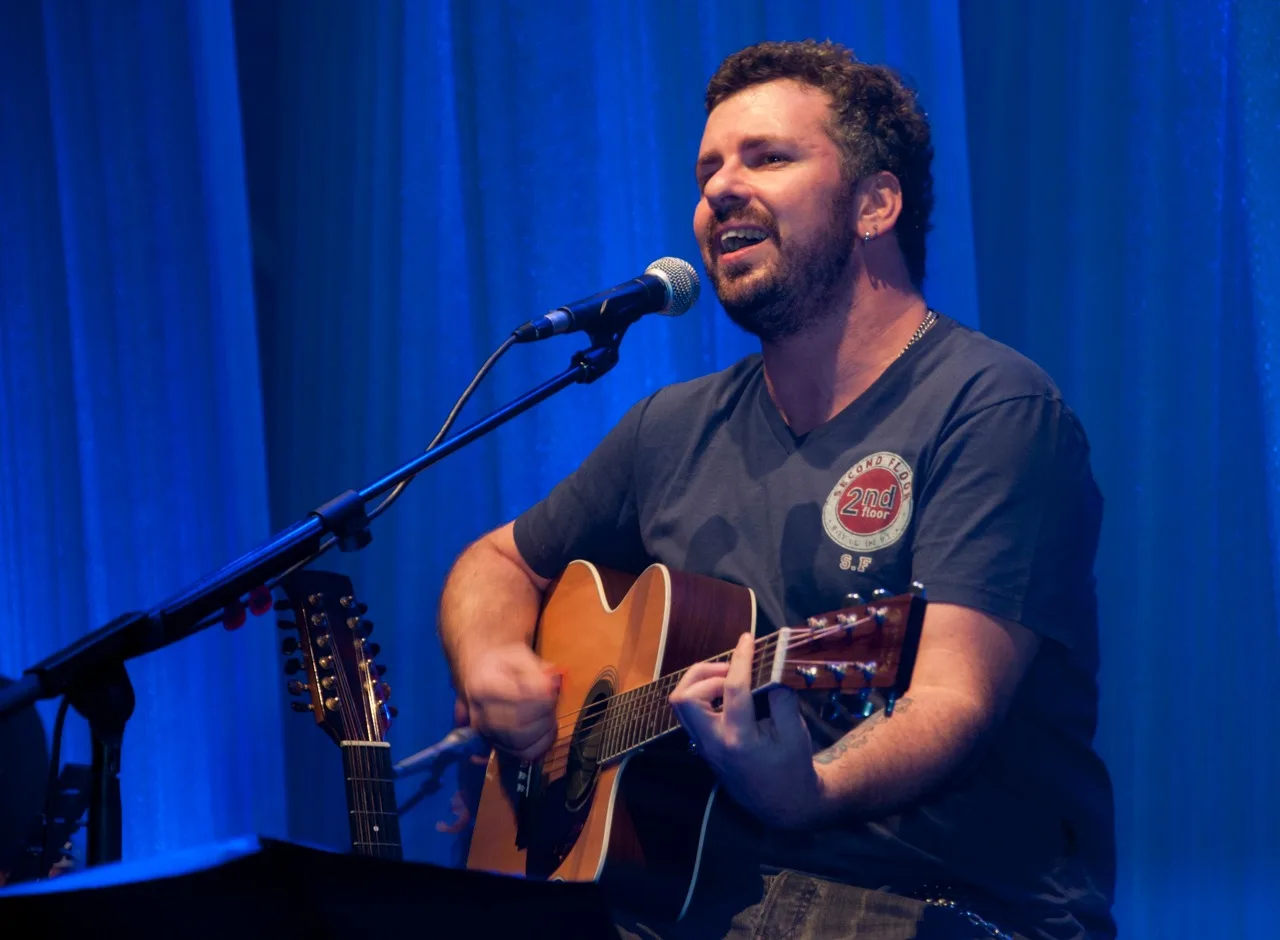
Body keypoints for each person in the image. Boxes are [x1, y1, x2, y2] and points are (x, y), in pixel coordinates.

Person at [439, 39, 1115, 940]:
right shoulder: (671, 429)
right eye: (708, 167)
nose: (719, 189)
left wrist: (809, 789)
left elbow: (950, 698)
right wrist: (492, 663)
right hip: (678, 893)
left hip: (925, 898)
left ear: (875, 203)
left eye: (767, 158)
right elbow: (497, 562)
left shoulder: (994, 409)